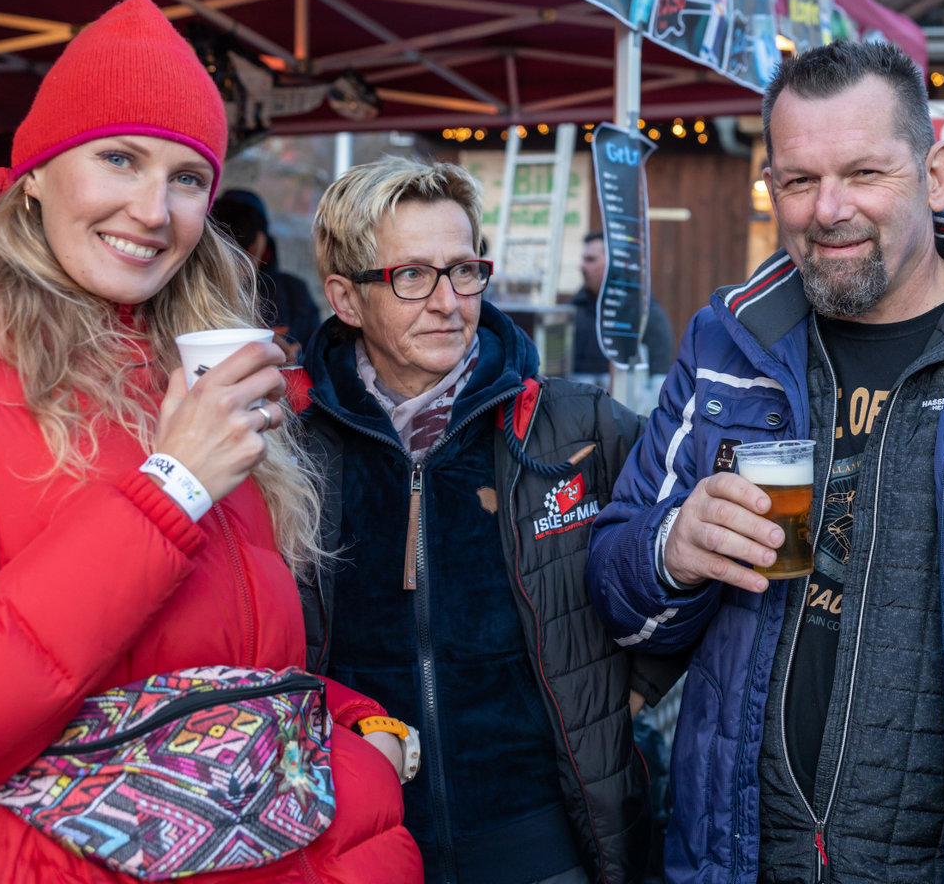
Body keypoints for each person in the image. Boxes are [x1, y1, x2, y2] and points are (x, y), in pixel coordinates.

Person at [0, 0, 420, 883]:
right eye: (119, 157)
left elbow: (195, 674)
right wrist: (170, 488)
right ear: (38, 171)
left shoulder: (179, 364)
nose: (152, 209)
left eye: (186, 178)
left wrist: (353, 727)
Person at [586, 40, 944, 883]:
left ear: (934, 174)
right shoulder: (728, 341)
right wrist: (671, 549)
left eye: (864, 173)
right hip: (745, 855)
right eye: (798, 181)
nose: (828, 209)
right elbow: (614, 586)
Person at [292, 158, 685, 884]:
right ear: (345, 298)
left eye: (464, 270)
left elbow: (682, 552)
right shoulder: (292, 448)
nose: (448, 302)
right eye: (412, 275)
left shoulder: (576, 427)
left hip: (539, 831)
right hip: (359, 829)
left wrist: (624, 698)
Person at [211, 188, 323, 362]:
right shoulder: (193, 294)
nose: (240, 257)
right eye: (226, 237)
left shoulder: (294, 293)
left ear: (262, 240)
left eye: (245, 237)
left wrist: (297, 359)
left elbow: (319, 356)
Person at [571, 229, 675, 378]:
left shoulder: (645, 314)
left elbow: (658, 376)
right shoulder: (574, 309)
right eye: (583, 259)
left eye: (591, 259)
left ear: (614, 262)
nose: (582, 266)